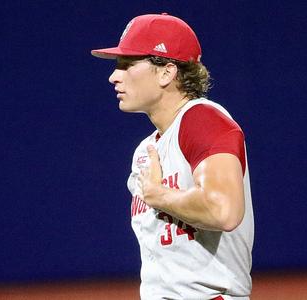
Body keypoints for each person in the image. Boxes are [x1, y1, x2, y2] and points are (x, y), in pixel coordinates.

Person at [91, 13, 254, 300]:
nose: (114, 75)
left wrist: (159, 195)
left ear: (167, 72)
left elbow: (223, 210)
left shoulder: (202, 119)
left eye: (128, 64)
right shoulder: (146, 150)